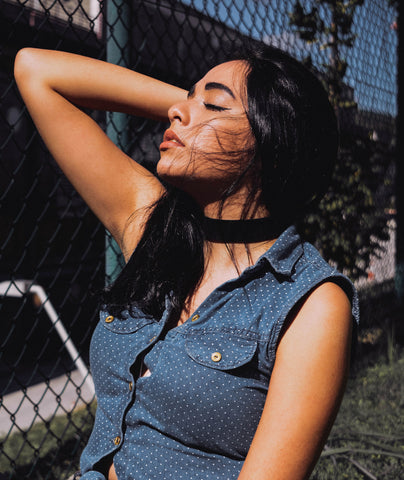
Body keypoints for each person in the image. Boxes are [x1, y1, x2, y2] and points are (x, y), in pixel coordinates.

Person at [14, 43, 359, 480]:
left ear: (272, 139)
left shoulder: (309, 303)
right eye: (185, 99)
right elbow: (36, 70)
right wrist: (195, 106)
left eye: (214, 103)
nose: (178, 112)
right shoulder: (153, 231)